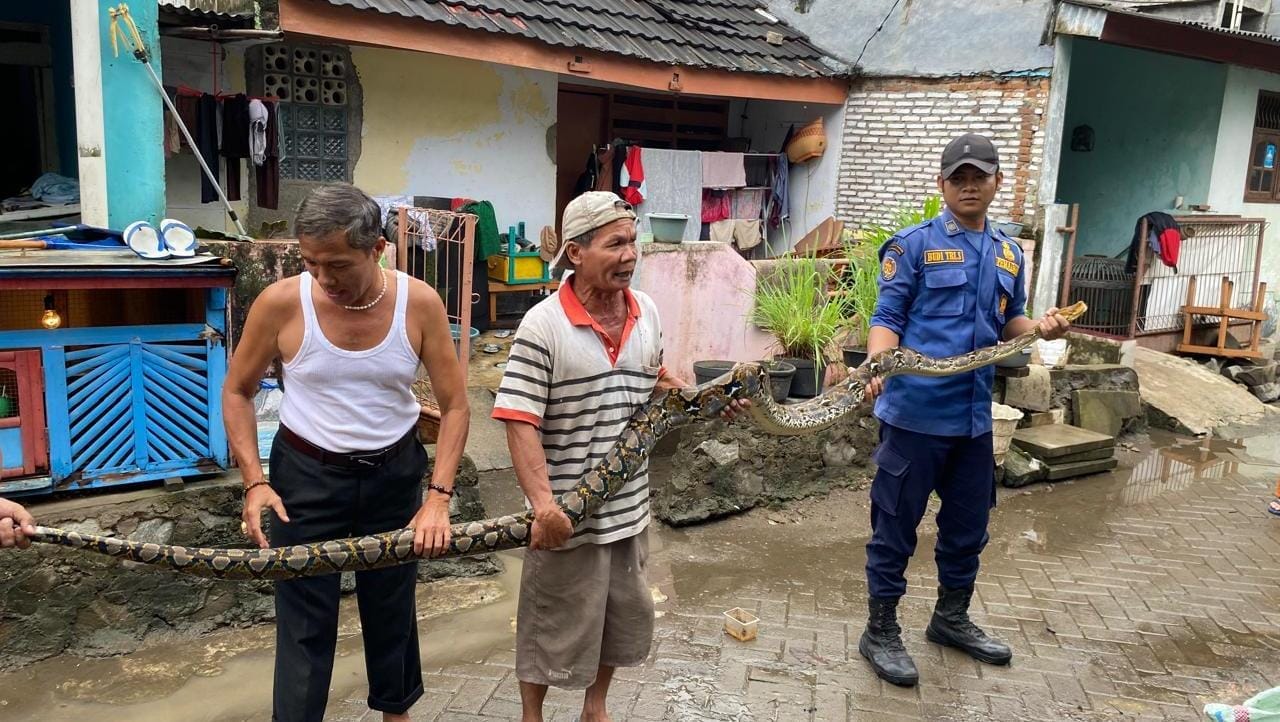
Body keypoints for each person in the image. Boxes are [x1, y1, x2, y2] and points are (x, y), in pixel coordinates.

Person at [222, 183, 470, 722]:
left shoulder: (418, 304)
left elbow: (455, 406)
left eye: (337, 265)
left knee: (392, 606)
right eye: (311, 263)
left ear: (377, 249)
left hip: (394, 474)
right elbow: (237, 391)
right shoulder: (281, 304)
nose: (324, 278)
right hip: (305, 479)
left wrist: (438, 498)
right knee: (304, 624)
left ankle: (396, 713)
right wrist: (255, 482)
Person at [492, 191, 743, 722]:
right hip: (565, 515)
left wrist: (709, 400)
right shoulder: (542, 325)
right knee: (549, 623)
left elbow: (656, 380)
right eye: (614, 244)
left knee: (619, 618)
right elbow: (519, 419)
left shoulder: (645, 311)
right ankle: (531, 715)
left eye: (632, 242)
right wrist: (543, 506)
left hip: (628, 511)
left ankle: (595, 706)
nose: (630, 255)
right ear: (576, 252)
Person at [858, 133, 1070, 686]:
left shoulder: (1008, 252)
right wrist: (877, 365)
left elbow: (1011, 321)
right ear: (942, 184)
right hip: (915, 417)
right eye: (959, 178)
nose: (969, 186)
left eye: (980, 176)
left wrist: (1041, 329)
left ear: (998, 182)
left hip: (975, 419)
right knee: (895, 527)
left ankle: (950, 619)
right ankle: (880, 630)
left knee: (968, 528)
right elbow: (887, 317)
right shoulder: (912, 246)